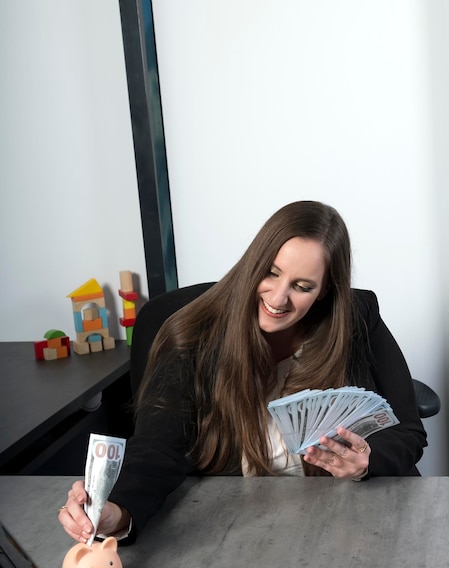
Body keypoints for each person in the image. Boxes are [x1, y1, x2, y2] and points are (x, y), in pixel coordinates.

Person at [59, 200, 427, 544]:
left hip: (344, 518)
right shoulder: (190, 334)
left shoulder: (358, 319)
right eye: (271, 273)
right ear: (254, 261)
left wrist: (365, 462)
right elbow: (156, 449)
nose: (278, 298)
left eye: (302, 287)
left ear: (325, 290)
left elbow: (409, 432)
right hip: (234, 525)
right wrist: (116, 514)